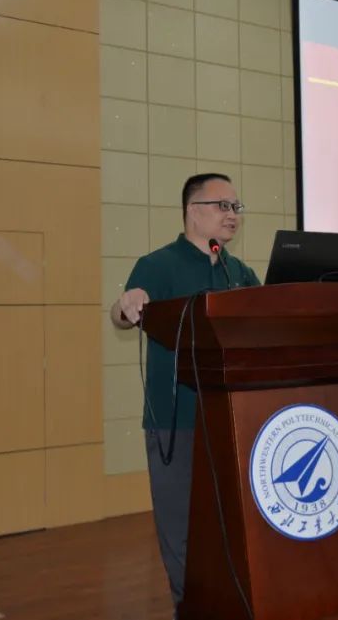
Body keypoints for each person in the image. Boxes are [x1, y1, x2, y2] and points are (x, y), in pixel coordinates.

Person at [110, 173, 260, 618]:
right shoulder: (158, 265)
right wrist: (127, 303)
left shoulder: (239, 272)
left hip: (233, 418)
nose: (232, 215)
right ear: (193, 211)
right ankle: (188, 607)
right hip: (176, 420)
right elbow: (121, 314)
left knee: (229, 522)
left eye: (236, 207)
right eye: (222, 206)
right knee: (180, 525)